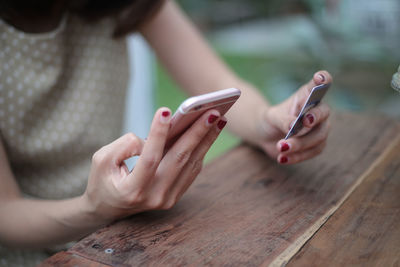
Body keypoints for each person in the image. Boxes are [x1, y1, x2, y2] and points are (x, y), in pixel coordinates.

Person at [0, 0, 332, 265]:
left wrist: (266, 123)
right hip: (35, 245)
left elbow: (215, 82)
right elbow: (6, 213)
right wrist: (94, 209)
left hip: (120, 235)